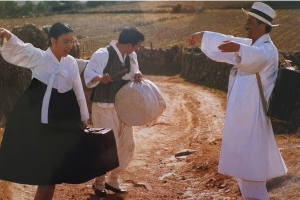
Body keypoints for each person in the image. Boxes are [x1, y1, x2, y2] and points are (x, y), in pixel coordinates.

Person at [0, 23, 113, 200]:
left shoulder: (71, 63)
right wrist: (8, 36)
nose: (69, 46)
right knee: (46, 174)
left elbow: (78, 90)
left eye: (71, 42)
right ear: (53, 40)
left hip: (64, 119)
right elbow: (21, 49)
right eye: (65, 41)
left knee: (54, 174)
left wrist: (84, 117)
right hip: (41, 121)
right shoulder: (39, 58)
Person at [187, 2, 287, 199]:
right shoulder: (252, 45)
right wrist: (204, 35)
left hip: (252, 119)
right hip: (243, 117)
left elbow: (255, 57)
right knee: (245, 171)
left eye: (250, 21)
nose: (246, 25)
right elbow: (231, 41)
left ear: (262, 25)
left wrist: (238, 49)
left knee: (251, 172)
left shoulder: (266, 50)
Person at [84, 26, 145, 197]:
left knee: (128, 144)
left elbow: (134, 72)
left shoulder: (131, 56)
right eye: (137, 45)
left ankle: (114, 179)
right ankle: (99, 182)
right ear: (127, 44)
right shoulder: (102, 54)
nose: (137, 49)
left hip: (123, 106)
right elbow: (89, 74)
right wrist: (99, 78)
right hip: (104, 105)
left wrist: (138, 74)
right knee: (107, 146)